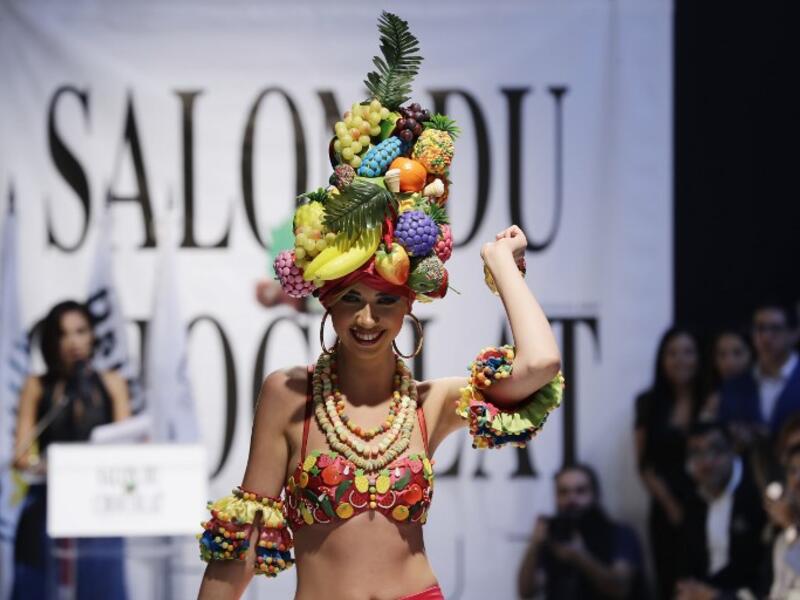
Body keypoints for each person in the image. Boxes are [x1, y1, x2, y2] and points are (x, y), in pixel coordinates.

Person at [196, 13, 563, 600]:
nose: (368, 319)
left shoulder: (430, 404)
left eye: (386, 303)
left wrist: (500, 266)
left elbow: (541, 366)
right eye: (352, 300)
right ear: (327, 303)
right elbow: (237, 550)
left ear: (408, 310)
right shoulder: (286, 396)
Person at [11, 300, 131, 600]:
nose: (74, 341)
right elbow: (22, 454)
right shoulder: (37, 386)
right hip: (48, 502)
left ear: (93, 335)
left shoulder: (112, 384)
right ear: (52, 342)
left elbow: (127, 442)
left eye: (81, 331)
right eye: (64, 334)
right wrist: (47, 466)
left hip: (99, 502)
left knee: (102, 587)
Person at [634, 326, 704, 599]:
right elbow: (643, 464)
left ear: (699, 357)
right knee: (670, 581)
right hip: (666, 507)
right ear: (662, 359)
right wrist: (671, 505)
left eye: (687, 352)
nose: (680, 360)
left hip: (707, 501)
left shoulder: (711, 397)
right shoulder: (648, 403)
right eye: (672, 353)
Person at [517, 464, 646, 600]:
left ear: (595, 494)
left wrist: (580, 558)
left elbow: (620, 589)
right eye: (563, 492)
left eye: (580, 491)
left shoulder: (620, 534)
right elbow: (526, 592)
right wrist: (534, 546)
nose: (571, 499)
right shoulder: (553, 536)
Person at [674, 421, 767, 600]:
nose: (707, 463)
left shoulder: (757, 491)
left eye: (714, 451)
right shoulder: (691, 502)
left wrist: (714, 595)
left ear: (732, 450)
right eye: (696, 454)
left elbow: (758, 569)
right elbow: (685, 566)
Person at [718, 300, 800, 441]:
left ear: (794, 333)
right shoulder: (734, 385)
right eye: (760, 329)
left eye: (775, 329)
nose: (766, 337)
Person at [768, 443, 800, 598]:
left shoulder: (789, 533)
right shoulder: (783, 540)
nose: (797, 480)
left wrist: (789, 526)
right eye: (793, 471)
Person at [701, 329, 753, 420]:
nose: (729, 363)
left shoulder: (762, 392)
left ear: (751, 354)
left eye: (737, 353)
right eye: (722, 355)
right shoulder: (709, 395)